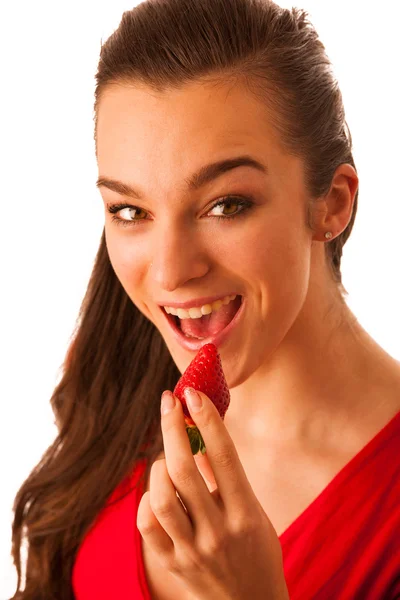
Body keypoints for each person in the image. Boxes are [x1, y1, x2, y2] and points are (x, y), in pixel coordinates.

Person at [9, 0, 400, 598]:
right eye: (130, 210)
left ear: (333, 203)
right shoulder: (122, 390)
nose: (169, 270)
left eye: (226, 205)